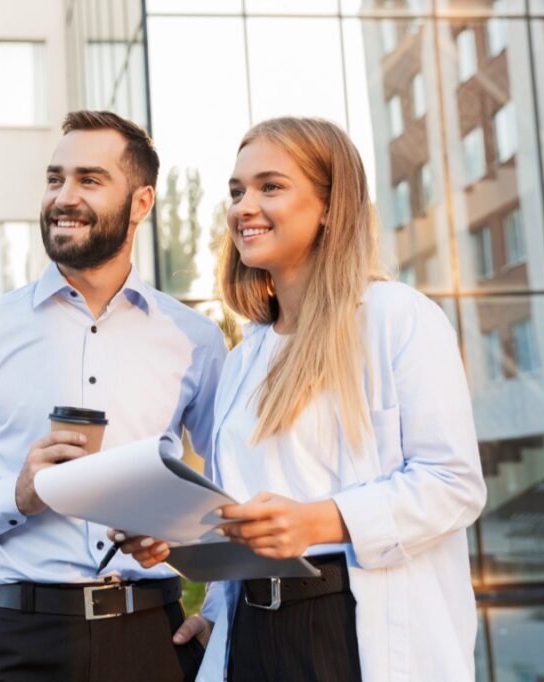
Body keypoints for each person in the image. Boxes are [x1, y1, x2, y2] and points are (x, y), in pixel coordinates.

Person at [118, 117, 487, 681]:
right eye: (237, 190)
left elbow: (454, 484)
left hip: (345, 633)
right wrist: (180, 544)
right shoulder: (245, 356)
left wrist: (322, 521)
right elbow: (245, 514)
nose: (244, 206)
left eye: (270, 186)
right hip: (252, 634)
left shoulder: (397, 318)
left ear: (331, 206)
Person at [0, 110, 227, 682]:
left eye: (89, 180)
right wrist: (17, 496)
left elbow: (235, 492)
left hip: (153, 639)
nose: (63, 197)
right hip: (23, 643)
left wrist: (217, 609)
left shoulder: (194, 340)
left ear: (142, 202)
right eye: (56, 179)